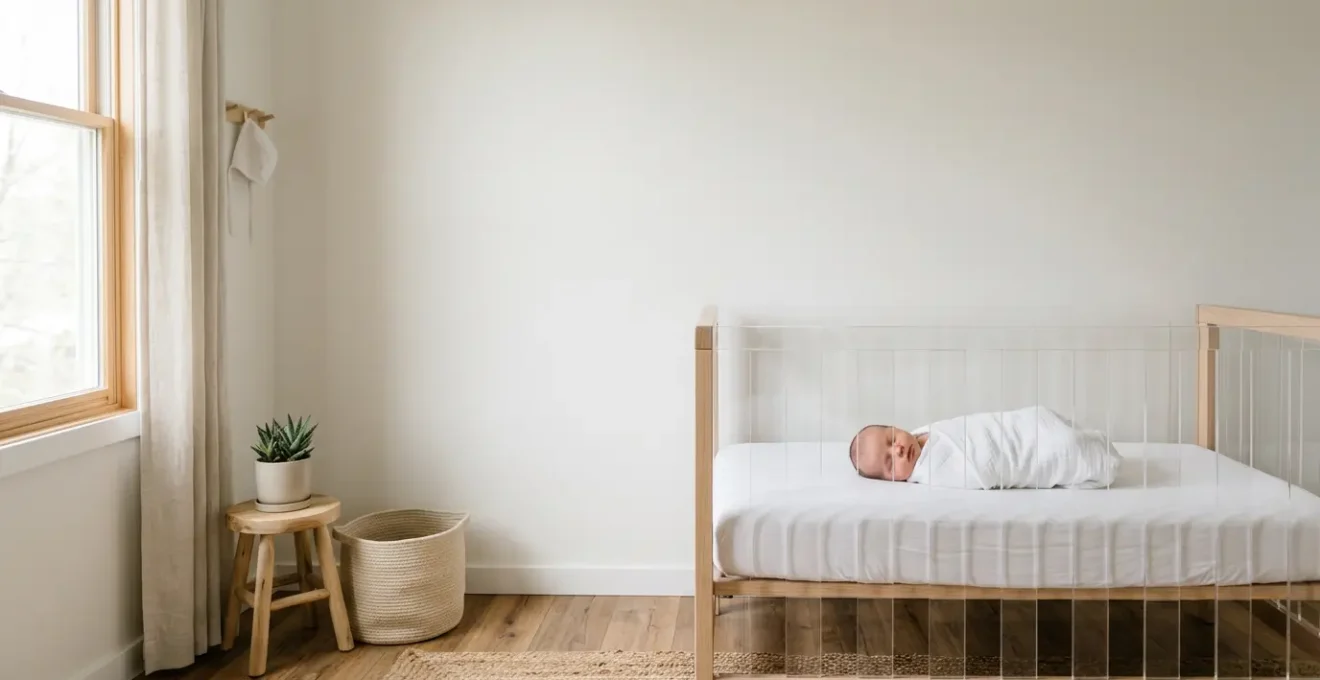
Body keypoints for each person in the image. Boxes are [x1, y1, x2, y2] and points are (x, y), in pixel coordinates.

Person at [848, 406, 1121, 489]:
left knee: (1044, 421)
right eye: (889, 463)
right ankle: (1093, 456)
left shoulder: (922, 432)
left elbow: (981, 426)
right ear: (893, 480)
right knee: (1064, 447)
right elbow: (982, 466)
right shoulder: (931, 472)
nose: (897, 450)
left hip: (1017, 425)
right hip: (1018, 453)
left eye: (891, 440)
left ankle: (1084, 442)